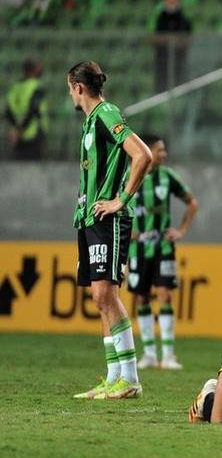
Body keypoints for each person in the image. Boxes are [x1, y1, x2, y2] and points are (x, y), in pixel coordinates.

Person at [66, 61, 153, 401]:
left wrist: (121, 199)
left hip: (107, 217)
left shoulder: (106, 114)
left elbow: (141, 154)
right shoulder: (91, 121)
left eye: (68, 88)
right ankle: (114, 376)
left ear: (77, 87)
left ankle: (130, 379)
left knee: (106, 295)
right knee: (98, 297)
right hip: (89, 217)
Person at [127, 134, 198, 370]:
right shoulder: (129, 175)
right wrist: (127, 229)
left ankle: (167, 355)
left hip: (163, 246)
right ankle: (148, 353)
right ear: (147, 150)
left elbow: (191, 202)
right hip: (138, 248)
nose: (163, 155)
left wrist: (181, 230)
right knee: (141, 297)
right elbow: (116, 202)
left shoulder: (167, 177)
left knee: (165, 295)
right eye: (159, 150)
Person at [149, 0, 192, 93]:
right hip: (162, 60)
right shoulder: (159, 16)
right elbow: (153, 37)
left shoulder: (184, 17)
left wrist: (171, 40)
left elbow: (187, 38)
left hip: (179, 59)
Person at [5, 59, 47, 160]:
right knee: (34, 170)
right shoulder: (37, 86)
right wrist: (19, 132)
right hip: (34, 134)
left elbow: (7, 112)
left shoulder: (15, 87)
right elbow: (33, 111)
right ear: (32, 70)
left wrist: (15, 130)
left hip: (16, 135)